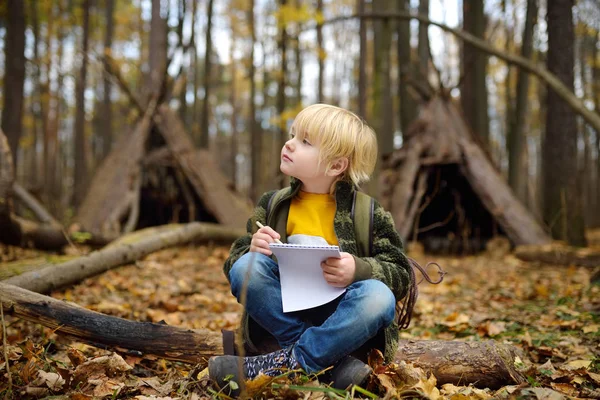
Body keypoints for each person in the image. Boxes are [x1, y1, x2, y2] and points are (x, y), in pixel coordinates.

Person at [209, 104, 413, 392]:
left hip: (343, 317)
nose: (289, 144)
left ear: (335, 165)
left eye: (304, 142)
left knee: (379, 297)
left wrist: (358, 269)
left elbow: (401, 273)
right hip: (284, 311)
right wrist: (252, 249)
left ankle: (285, 364)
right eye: (292, 135)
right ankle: (322, 361)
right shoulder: (273, 204)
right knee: (247, 268)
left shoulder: (368, 212)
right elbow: (234, 263)